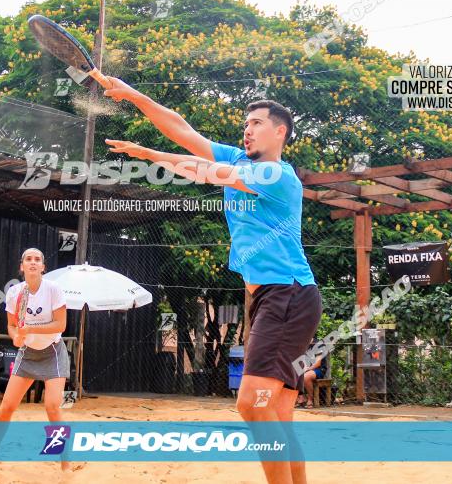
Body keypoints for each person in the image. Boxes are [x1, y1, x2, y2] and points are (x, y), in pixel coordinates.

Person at [105, 81, 319, 484]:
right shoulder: (241, 158)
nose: (247, 129)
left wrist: (153, 157)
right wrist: (132, 95)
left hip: (286, 296)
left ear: (280, 132)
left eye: (256, 123)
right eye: (245, 123)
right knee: (277, 415)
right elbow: (184, 131)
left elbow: (204, 170)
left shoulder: (277, 175)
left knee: (252, 406)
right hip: (283, 299)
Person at [0, 248, 70, 470]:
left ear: (43, 267)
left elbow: (60, 325)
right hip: (27, 353)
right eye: (28, 259)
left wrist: (31, 327)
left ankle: (65, 463)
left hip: (52, 351)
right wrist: (16, 337)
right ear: (21, 266)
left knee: (52, 406)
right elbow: (12, 326)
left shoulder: (53, 289)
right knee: (7, 405)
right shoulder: (15, 292)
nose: (33, 263)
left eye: (37, 260)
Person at [295, 340, 327, 409]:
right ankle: (301, 397)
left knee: (306, 377)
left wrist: (307, 369)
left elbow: (318, 363)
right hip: (308, 368)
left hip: (319, 369)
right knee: (294, 372)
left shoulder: (319, 344)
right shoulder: (303, 343)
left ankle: (310, 399)